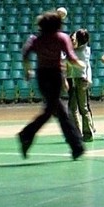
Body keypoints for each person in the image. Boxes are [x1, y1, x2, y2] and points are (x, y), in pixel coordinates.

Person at [18, 11, 85, 160]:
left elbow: (25, 54)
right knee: (52, 111)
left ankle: (76, 146)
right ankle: (26, 134)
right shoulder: (61, 38)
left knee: (58, 110)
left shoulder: (37, 39)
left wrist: (27, 70)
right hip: (55, 76)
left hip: (42, 76)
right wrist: (80, 64)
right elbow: (71, 56)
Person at [67, 28, 95, 141]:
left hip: (80, 79)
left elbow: (74, 62)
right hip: (71, 79)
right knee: (72, 107)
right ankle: (76, 133)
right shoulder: (71, 49)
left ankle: (88, 133)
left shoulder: (84, 50)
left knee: (83, 107)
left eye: (75, 38)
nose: (73, 40)